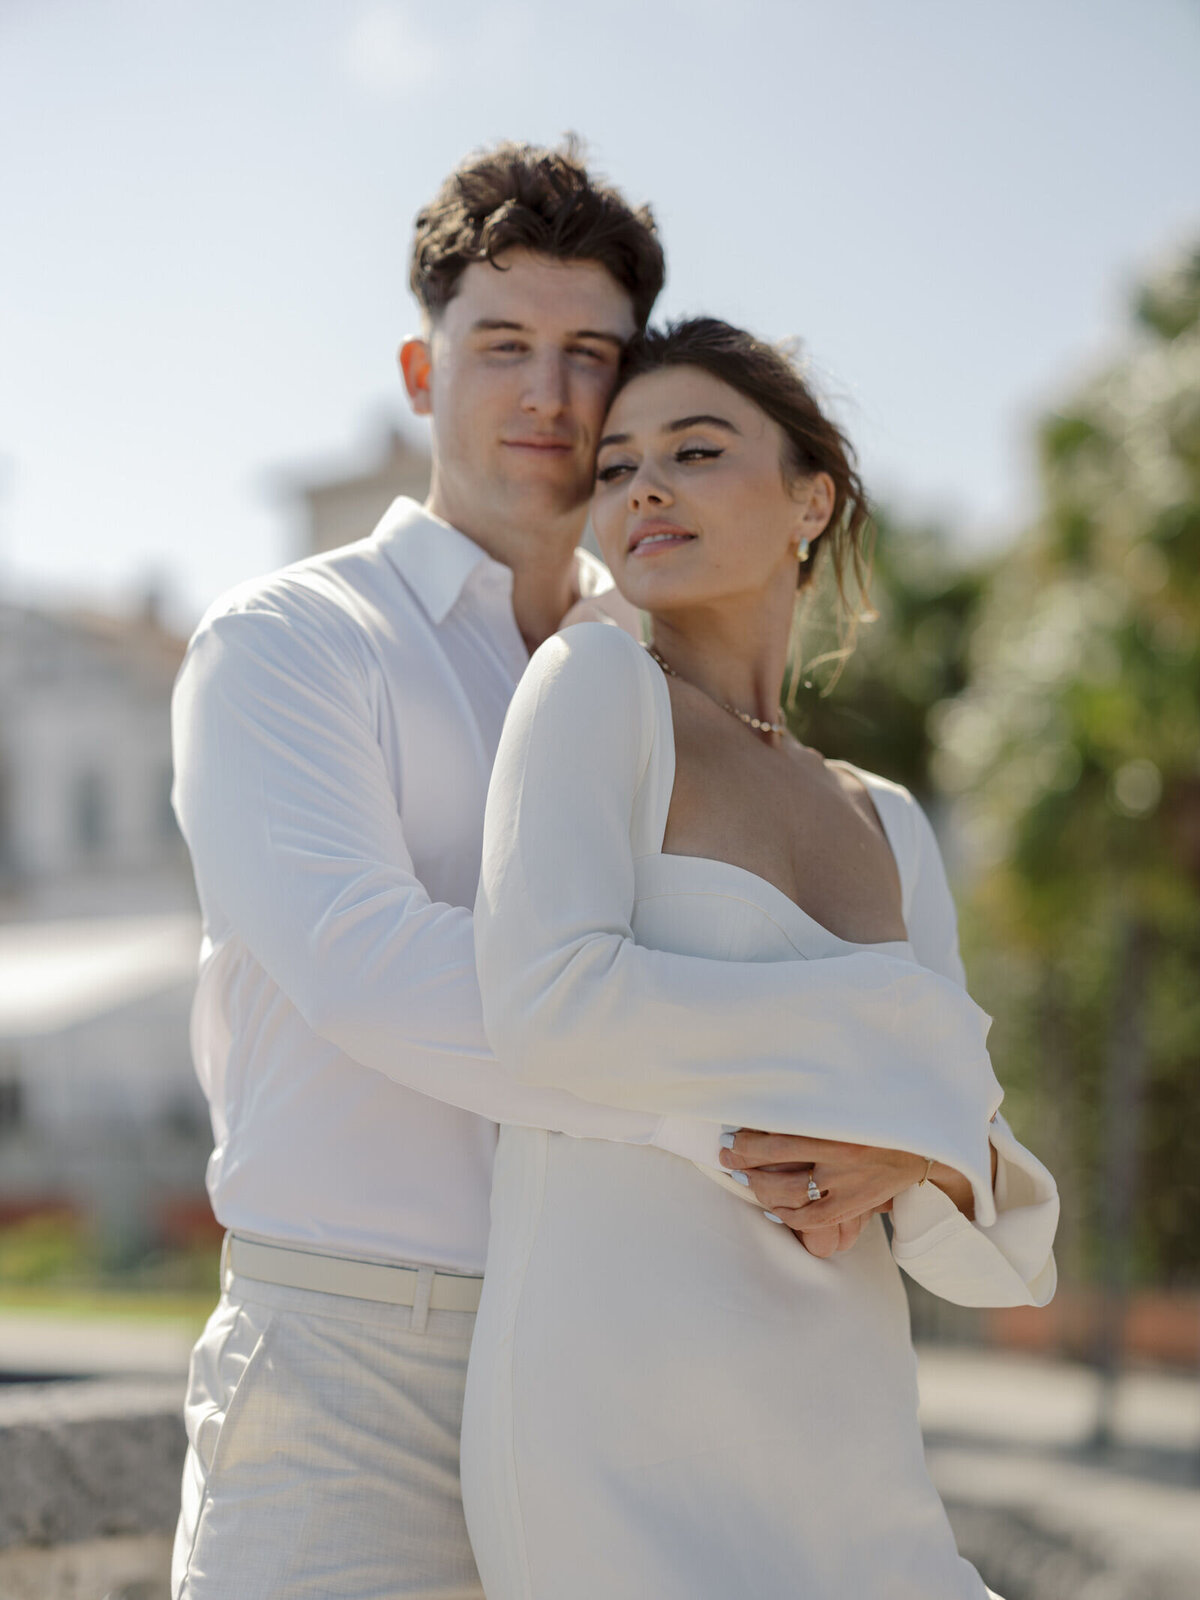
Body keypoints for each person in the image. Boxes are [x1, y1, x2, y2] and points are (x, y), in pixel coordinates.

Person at [169, 140, 971, 1598]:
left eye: (589, 353)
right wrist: (762, 1112)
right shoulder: (287, 643)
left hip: (638, 1366)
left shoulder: (671, 674)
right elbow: (367, 964)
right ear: (423, 373)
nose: (546, 394)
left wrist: (897, 1131)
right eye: (502, 347)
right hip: (364, 1360)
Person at [463, 318, 1059, 1599]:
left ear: (811, 497)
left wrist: (918, 1141)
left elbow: (991, 1221)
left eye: (695, 448)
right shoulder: (592, 686)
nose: (646, 487)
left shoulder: (886, 818)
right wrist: (902, 1062)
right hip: (613, 1429)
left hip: (852, 1444)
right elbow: (547, 1002)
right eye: (616, 467)